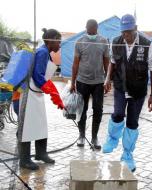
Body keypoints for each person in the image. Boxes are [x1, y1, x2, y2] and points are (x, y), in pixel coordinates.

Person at [102, 14, 152, 172]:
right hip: (120, 86)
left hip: (138, 91)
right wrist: (108, 79)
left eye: (128, 32)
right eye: (123, 32)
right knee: (118, 113)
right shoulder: (116, 42)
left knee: (132, 122)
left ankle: (127, 155)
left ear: (136, 29)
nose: (125, 35)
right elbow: (112, 63)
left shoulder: (148, 46)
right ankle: (112, 139)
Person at [17, 28, 64, 170]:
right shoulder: (43, 52)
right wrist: (52, 91)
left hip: (36, 92)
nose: (59, 45)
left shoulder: (44, 51)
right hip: (30, 93)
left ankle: (41, 153)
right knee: (27, 127)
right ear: (51, 40)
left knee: (41, 123)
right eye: (59, 42)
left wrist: (50, 90)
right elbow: (38, 76)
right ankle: (24, 160)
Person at [71, 19, 109, 149]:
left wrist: (107, 80)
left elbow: (106, 62)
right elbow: (75, 63)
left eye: (93, 27)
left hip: (98, 82)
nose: (91, 29)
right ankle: (81, 136)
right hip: (82, 81)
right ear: (85, 27)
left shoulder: (103, 41)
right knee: (82, 110)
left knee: (98, 109)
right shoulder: (80, 42)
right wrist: (72, 82)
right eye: (89, 27)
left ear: (97, 28)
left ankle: (94, 137)